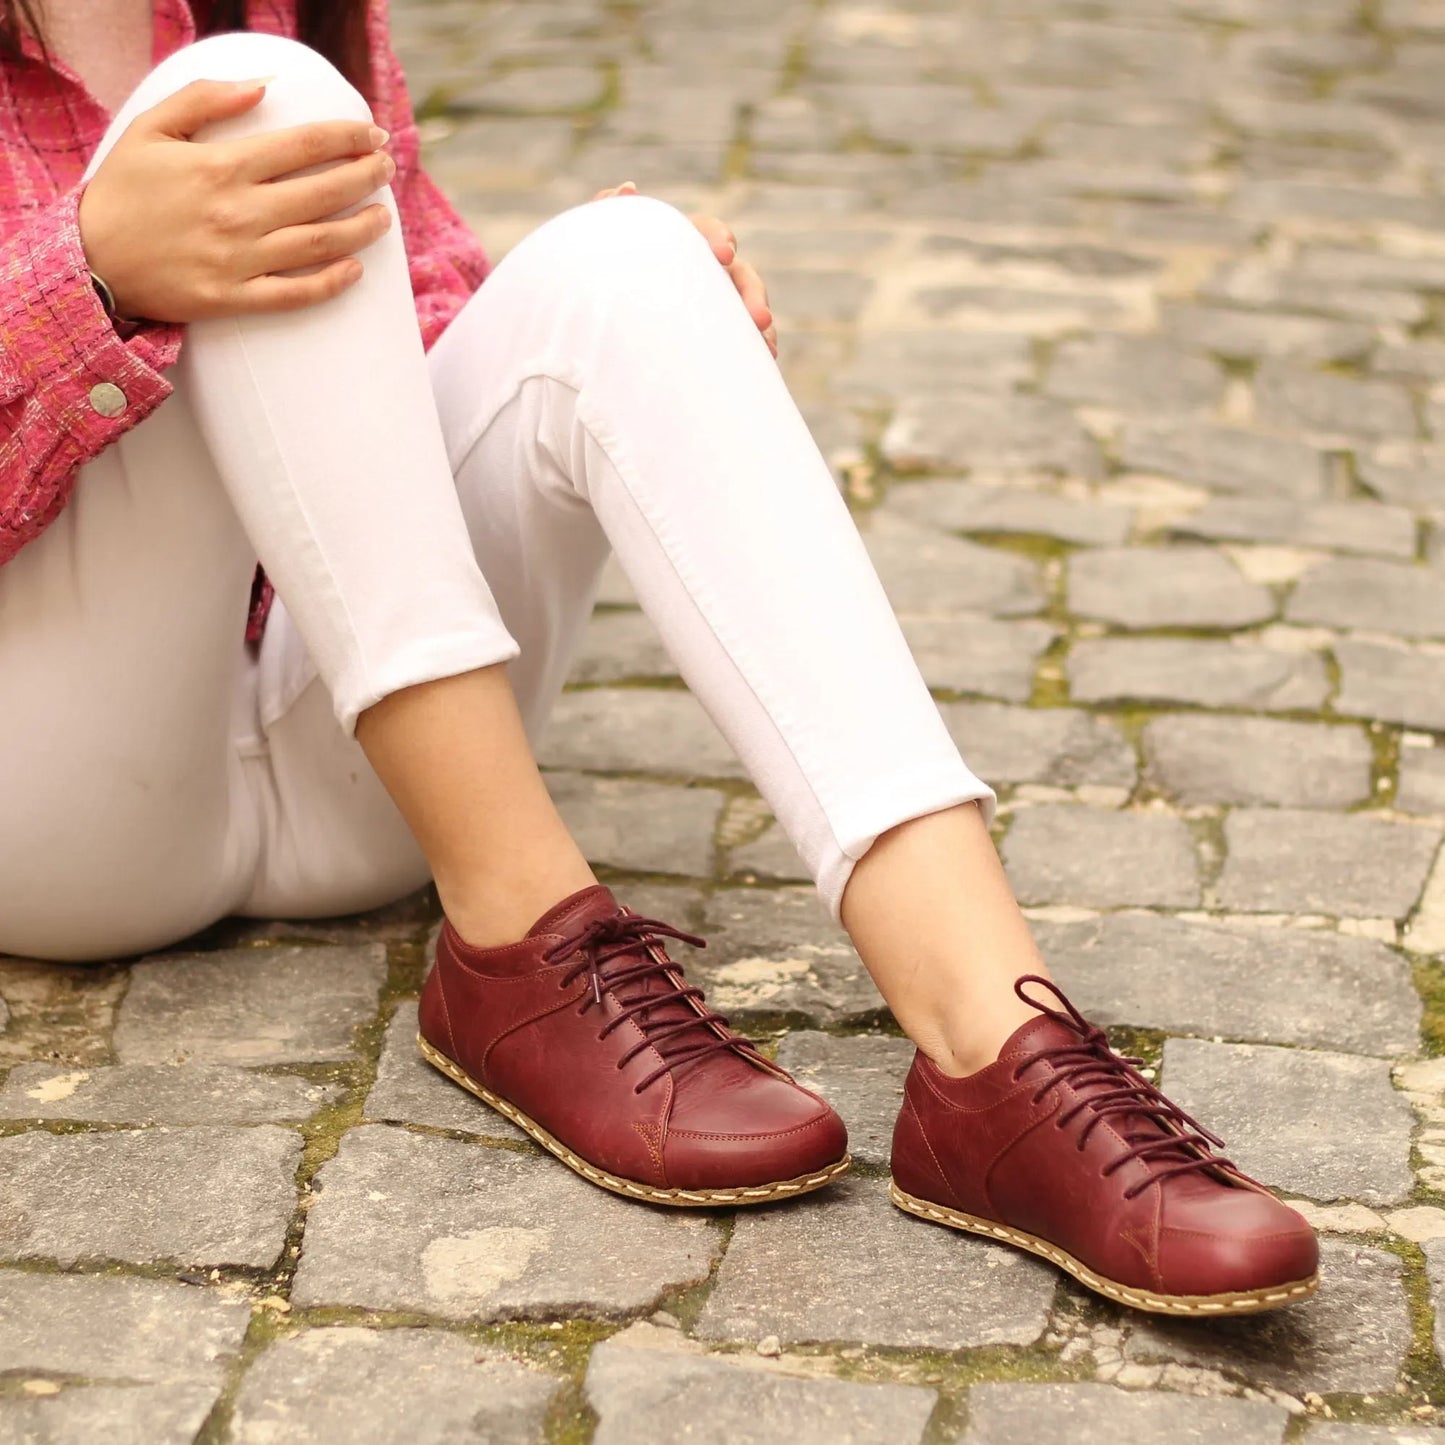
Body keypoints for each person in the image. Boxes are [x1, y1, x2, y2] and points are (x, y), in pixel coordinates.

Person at [0, 0, 1319, 1317]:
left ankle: (997, 1055)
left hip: (353, 765)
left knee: (622, 261)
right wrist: (95, 275)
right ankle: (517, 927)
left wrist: (645, 338)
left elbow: (396, 337)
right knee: (257, 105)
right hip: (62, 807)